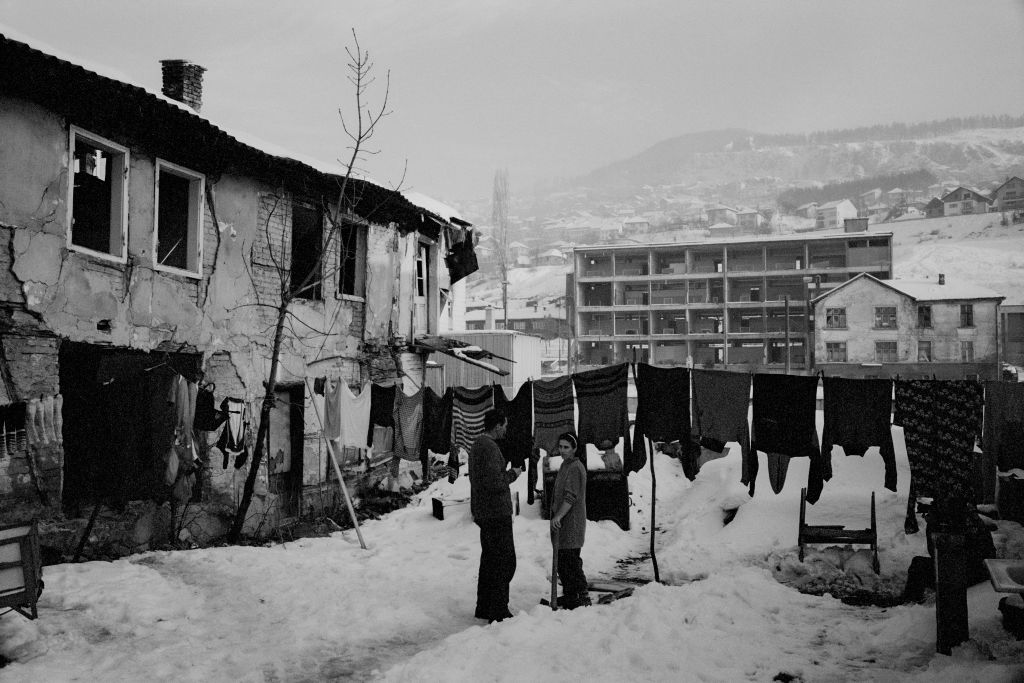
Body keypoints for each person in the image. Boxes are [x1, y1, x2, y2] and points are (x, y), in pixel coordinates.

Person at [469, 409, 522, 623]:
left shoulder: (478, 445)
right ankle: (498, 610)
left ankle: (484, 606)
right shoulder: (489, 447)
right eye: (505, 426)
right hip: (495, 512)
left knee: (490, 559)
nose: (506, 430)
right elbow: (494, 482)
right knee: (504, 561)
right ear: (497, 425)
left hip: (485, 511)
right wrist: (513, 474)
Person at [551, 431, 591, 609]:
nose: (562, 450)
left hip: (572, 521)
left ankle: (582, 595)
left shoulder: (575, 467)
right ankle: (569, 594)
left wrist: (559, 515)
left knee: (572, 561)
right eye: (560, 447)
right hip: (563, 522)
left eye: (566, 447)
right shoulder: (565, 465)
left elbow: (570, 496)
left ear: (574, 448)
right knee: (563, 562)